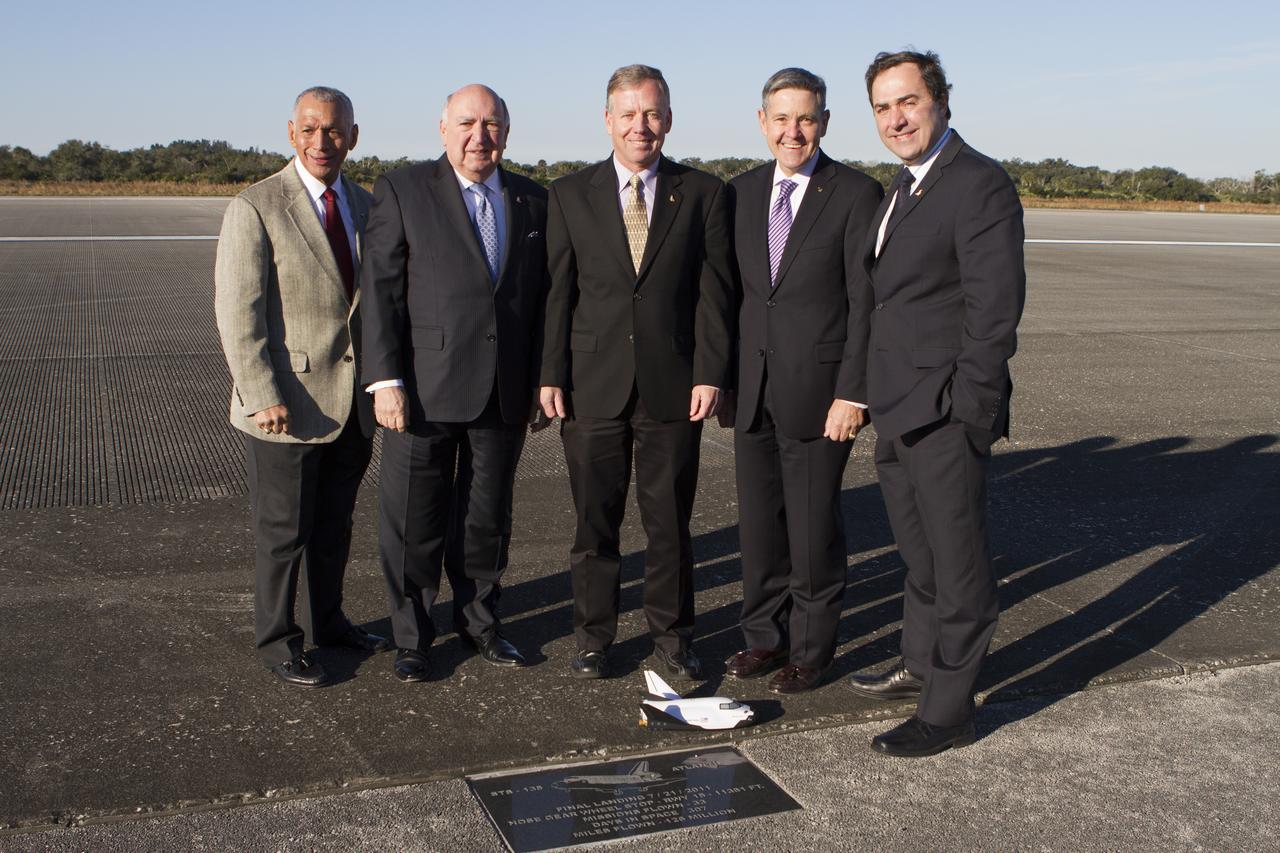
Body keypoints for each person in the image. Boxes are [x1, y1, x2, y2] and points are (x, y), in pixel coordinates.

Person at [849, 50, 1026, 756]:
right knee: (919, 555)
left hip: (946, 410)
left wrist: (970, 412)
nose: (896, 118)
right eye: (883, 107)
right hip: (899, 405)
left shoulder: (977, 184)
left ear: (942, 101)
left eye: (908, 102)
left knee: (959, 569)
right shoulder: (905, 183)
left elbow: (994, 315)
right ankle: (918, 662)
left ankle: (948, 708)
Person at [540, 64, 734, 681]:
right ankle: (593, 638)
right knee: (594, 524)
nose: (640, 126)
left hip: (673, 387)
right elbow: (557, 293)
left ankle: (672, 638)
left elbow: (715, 293)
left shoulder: (703, 193)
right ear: (607, 120)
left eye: (652, 113)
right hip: (591, 386)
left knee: (669, 524)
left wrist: (711, 372)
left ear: (669, 120)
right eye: (628, 114)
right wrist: (550, 374)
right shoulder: (570, 195)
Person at [360, 84, 549, 682]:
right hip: (421, 388)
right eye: (467, 123)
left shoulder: (533, 199)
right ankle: (413, 636)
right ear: (443, 129)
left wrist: (544, 381)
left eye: (492, 124)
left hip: (503, 391)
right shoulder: (404, 189)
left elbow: (543, 300)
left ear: (507, 133)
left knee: (487, 517)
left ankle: (481, 623)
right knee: (415, 517)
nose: (479, 136)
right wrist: (384, 379)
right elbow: (381, 290)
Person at [214, 86, 388, 688]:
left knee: (334, 522)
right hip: (284, 404)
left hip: (351, 403)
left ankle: (328, 622)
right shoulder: (257, 206)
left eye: (334, 131)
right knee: (283, 531)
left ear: (353, 137)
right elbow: (240, 313)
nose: (322, 142)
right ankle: (277, 639)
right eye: (310, 130)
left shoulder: (367, 206)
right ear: (292, 134)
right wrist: (260, 391)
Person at [721, 68, 883, 694]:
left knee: (814, 531)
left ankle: (812, 651)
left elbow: (864, 302)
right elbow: (733, 296)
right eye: (781, 118)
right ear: (762, 122)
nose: (794, 131)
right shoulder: (739, 193)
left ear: (824, 122)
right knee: (759, 527)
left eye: (806, 118)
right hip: (752, 391)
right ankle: (763, 636)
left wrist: (853, 391)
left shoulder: (854, 193)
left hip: (822, 398)